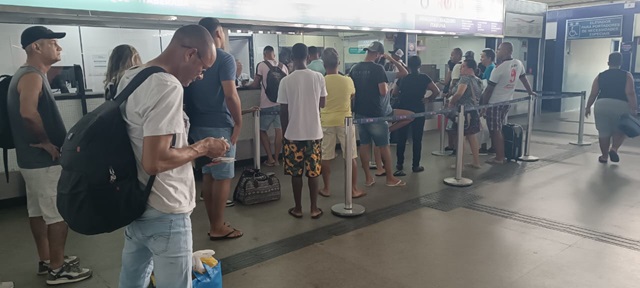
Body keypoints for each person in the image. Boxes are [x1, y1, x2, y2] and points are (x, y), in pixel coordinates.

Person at [117, 24, 230, 287]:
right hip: (166, 208)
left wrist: (190, 153)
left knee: (132, 281)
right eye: (202, 68)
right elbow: (155, 160)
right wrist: (203, 147)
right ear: (190, 54)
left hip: (137, 202)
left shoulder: (133, 75)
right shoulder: (166, 85)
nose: (201, 76)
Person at [6, 26, 92, 285]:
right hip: (43, 163)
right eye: (53, 43)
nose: (59, 48)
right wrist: (45, 141)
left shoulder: (26, 75)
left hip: (30, 163)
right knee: (57, 214)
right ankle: (58, 269)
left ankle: (47, 259)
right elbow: (28, 113)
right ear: (36, 47)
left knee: (38, 212)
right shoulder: (31, 76)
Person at [184, 17, 243, 240]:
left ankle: (214, 222)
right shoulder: (224, 58)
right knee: (222, 177)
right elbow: (230, 94)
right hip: (220, 126)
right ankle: (218, 227)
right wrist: (238, 122)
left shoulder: (193, 57)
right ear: (218, 32)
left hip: (196, 124)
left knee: (208, 175)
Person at [278, 43, 327, 219]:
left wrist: (285, 132)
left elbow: (283, 111)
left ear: (292, 58)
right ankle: (314, 208)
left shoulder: (286, 80)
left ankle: (298, 208)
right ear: (308, 57)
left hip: (292, 135)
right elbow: (323, 104)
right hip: (314, 133)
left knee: (295, 173)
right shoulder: (318, 77)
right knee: (314, 172)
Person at [349, 41, 405, 187]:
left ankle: (368, 178)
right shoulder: (378, 68)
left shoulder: (354, 68)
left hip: (360, 113)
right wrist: (392, 60)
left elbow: (352, 92)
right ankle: (390, 178)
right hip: (376, 113)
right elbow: (383, 91)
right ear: (379, 54)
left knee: (364, 145)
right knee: (384, 146)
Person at [318, 48, 364, 198]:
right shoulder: (347, 80)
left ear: (324, 64)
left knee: (326, 156)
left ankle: (326, 188)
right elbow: (352, 96)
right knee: (350, 156)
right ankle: (353, 189)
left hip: (325, 121)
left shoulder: (321, 80)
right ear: (338, 62)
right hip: (346, 121)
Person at [480, 42, 535, 164]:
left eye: (499, 49)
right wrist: (530, 92)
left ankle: (499, 157)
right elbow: (523, 78)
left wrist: (484, 106)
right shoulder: (518, 63)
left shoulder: (499, 68)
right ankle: (500, 153)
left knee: (495, 130)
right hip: (506, 102)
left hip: (494, 103)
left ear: (506, 51)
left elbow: (489, 90)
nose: (497, 52)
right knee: (499, 128)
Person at [585, 52, 638, 164]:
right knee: (622, 129)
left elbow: (593, 93)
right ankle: (614, 149)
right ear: (621, 63)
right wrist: (634, 108)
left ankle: (604, 156)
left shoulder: (600, 75)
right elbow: (630, 92)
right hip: (621, 105)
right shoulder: (627, 75)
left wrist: (588, 106)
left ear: (608, 62)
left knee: (603, 132)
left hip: (602, 104)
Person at [393, 55, 440, 176]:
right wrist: (428, 99)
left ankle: (399, 164)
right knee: (417, 138)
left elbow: (394, 92)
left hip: (403, 109)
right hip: (419, 110)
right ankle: (415, 165)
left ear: (408, 66)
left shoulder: (403, 78)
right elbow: (436, 91)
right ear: (419, 65)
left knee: (401, 138)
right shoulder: (424, 78)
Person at [249, 45, 288, 166]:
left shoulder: (261, 65)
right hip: (281, 103)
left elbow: (255, 84)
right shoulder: (283, 66)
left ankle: (270, 158)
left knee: (261, 130)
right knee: (279, 131)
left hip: (266, 103)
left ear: (264, 54)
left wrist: (246, 85)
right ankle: (277, 159)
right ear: (274, 54)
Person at [449, 59, 483, 169]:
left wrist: (451, 102)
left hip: (463, 111)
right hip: (473, 111)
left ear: (470, 69)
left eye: (463, 66)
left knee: (461, 137)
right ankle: (476, 161)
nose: (460, 68)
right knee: (472, 136)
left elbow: (459, 93)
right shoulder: (478, 80)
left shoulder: (465, 79)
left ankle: (460, 163)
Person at [444, 48, 464, 154]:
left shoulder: (457, 66)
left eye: (453, 55)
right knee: (456, 125)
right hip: (462, 101)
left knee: (451, 125)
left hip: (454, 99)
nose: (451, 57)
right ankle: (454, 146)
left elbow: (452, 83)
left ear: (458, 55)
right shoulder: (462, 66)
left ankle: (453, 146)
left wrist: (449, 95)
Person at [479, 48, 497, 155]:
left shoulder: (490, 68)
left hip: (487, 100)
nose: (481, 59)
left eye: (483, 57)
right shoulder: (488, 68)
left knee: (485, 124)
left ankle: (484, 146)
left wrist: (484, 104)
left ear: (489, 58)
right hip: (487, 99)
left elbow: (488, 86)